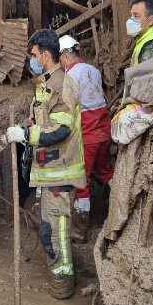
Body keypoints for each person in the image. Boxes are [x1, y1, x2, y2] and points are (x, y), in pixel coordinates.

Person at [6, 29, 85, 299]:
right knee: (49, 229)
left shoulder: (62, 85)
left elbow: (61, 129)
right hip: (48, 172)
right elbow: (41, 122)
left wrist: (27, 135)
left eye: (34, 55)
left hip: (59, 173)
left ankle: (62, 288)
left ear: (46, 55)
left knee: (55, 234)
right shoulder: (45, 85)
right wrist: (24, 127)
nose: (31, 60)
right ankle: (58, 282)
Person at [59, 35, 113, 243]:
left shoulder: (70, 76)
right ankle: (121, 210)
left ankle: (78, 232)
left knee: (82, 183)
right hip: (104, 133)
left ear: (65, 56)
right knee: (107, 172)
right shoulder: (94, 71)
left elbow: (69, 110)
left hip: (88, 136)